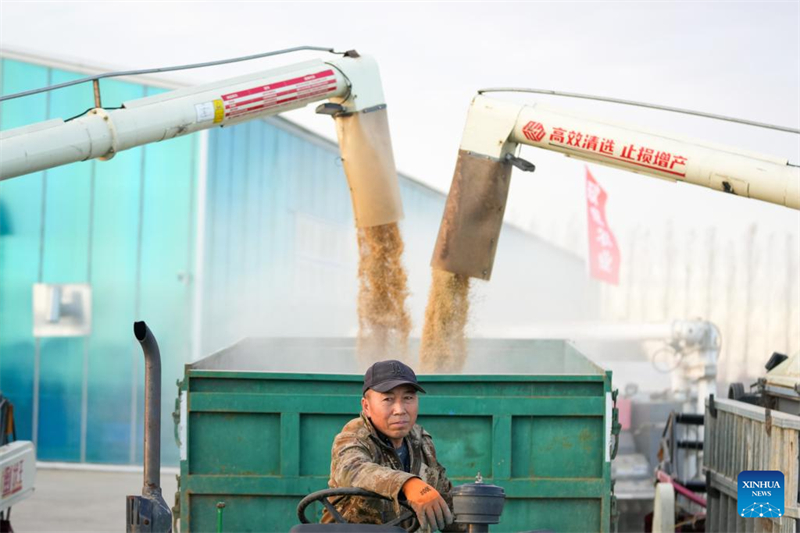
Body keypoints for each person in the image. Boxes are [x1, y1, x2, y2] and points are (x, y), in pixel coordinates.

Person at [321, 359, 458, 531]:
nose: (400, 409)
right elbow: (354, 469)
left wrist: (472, 512)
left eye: (408, 398)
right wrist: (409, 484)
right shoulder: (353, 437)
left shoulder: (421, 442)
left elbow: (445, 501)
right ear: (367, 406)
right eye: (388, 399)